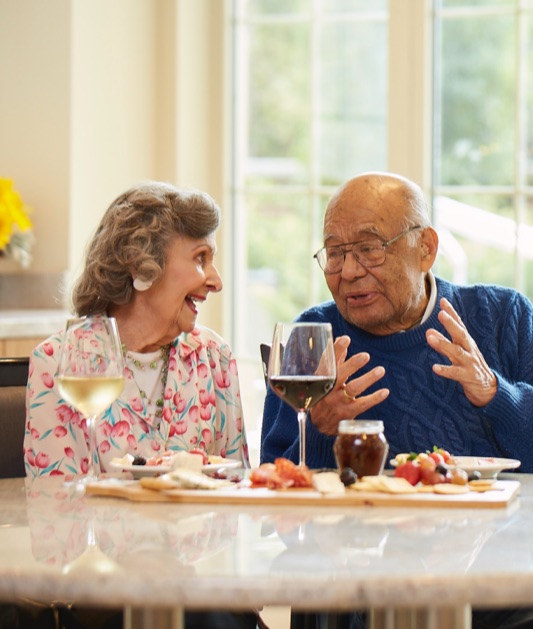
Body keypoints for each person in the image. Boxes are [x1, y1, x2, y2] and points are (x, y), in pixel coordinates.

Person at [261, 171, 533, 629]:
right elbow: (278, 511)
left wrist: (494, 393)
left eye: (369, 249)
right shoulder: (313, 337)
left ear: (425, 248)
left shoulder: (504, 316)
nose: (348, 271)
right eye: (335, 253)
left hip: (501, 589)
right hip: (354, 588)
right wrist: (324, 432)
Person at [24, 181, 250, 475]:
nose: (216, 281)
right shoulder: (57, 363)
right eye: (200, 258)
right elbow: (54, 506)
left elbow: (237, 488)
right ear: (140, 265)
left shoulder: (215, 357)